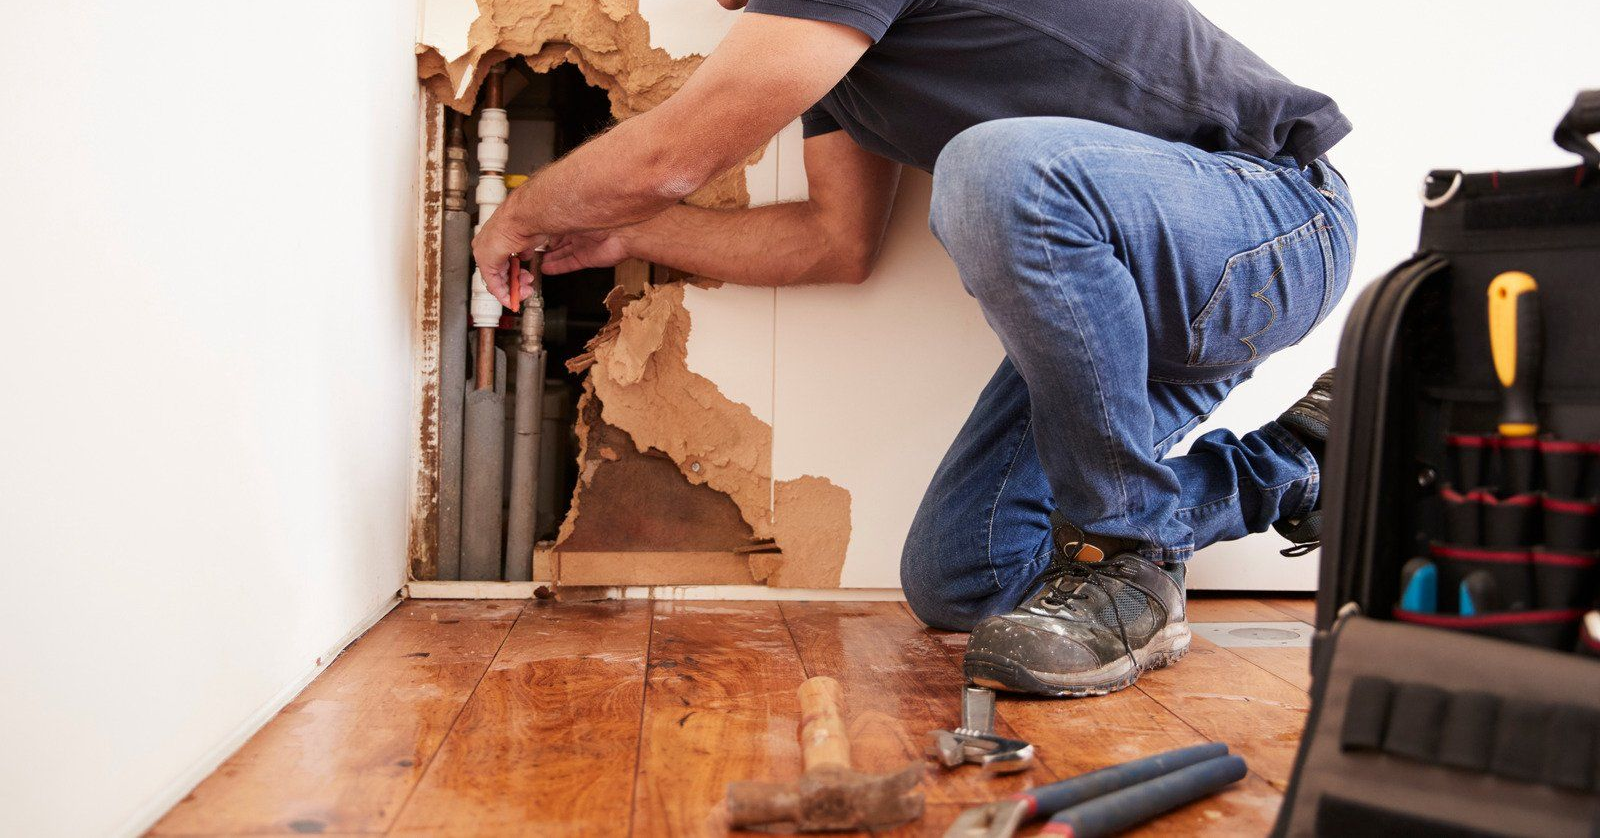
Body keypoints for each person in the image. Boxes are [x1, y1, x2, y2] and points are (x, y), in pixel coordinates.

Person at [473, 0, 1357, 697]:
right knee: (965, 577)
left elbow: (674, 154)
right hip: (1123, 303)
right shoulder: (831, 59)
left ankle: (1129, 568)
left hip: (1270, 227)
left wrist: (525, 211)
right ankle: (1298, 464)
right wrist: (632, 237)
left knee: (997, 169)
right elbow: (833, 241)